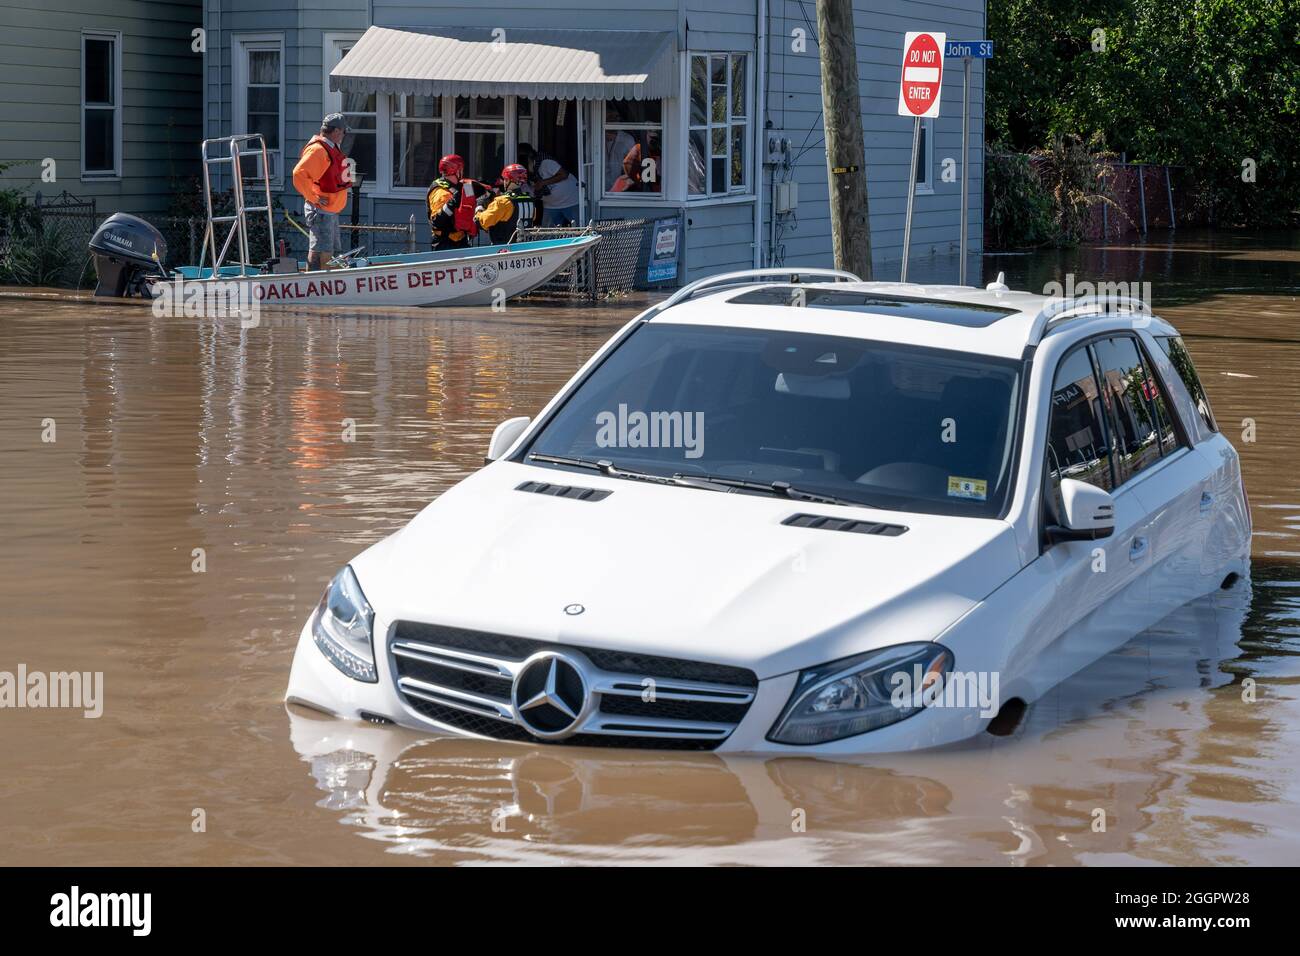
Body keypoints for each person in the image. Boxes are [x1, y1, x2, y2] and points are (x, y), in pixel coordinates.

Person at [292, 113, 352, 271]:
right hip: (321, 211)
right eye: (344, 132)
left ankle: (331, 284)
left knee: (331, 252)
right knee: (321, 251)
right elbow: (299, 174)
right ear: (337, 131)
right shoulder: (318, 150)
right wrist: (314, 197)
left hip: (329, 212)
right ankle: (315, 285)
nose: (344, 136)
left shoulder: (330, 148)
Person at [426, 154, 485, 251]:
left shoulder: (462, 186)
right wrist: (453, 202)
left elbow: (470, 204)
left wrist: (482, 193)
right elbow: (437, 222)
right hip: (445, 242)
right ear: (456, 171)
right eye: (461, 169)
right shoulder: (441, 192)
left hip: (462, 240)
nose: (462, 172)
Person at [518, 143, 580, 227]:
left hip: (570, 200)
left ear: (530, 157)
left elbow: (564, 174)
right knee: (547, 233)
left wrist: (543, 182)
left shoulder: (545, 162)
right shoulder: (525, 173)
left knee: (580, 228)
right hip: (550, 204)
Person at [474, 164, 537, 243]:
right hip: (524, 247)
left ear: (508, 180)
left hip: (504, 249)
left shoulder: (502, 201)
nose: (503, 182)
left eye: (504, 179)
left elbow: (482, 222)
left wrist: (479, 206)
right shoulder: (529, 199)